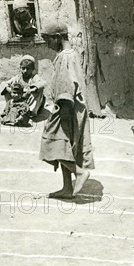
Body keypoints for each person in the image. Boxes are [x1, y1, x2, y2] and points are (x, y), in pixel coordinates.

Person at [39, 23, 94, 198]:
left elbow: (66, 85)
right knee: (67, 146)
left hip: (66, 108)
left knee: (54, 143)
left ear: (57, 38)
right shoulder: (72, 54)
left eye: (48, 40)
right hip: (72, 107)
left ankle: (79, 172)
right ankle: (67, 188)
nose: (47, 45)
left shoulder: (64, 57)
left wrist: (62, 110)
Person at [0, 54, 46, 121]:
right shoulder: (17, 77)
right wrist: (9, 90)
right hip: (18, 100)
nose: (25, 71)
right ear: (20, 68)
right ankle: (11, 109)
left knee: (39, 91)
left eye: (28, 68)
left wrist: (32, 90)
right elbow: (4, 84)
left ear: (32, 69)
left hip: (29, 100)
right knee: (5, 88)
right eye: (23, 68)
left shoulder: (34, 77)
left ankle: (31, 112)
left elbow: (43, 83)